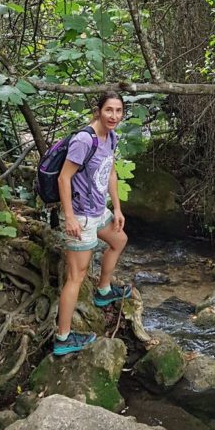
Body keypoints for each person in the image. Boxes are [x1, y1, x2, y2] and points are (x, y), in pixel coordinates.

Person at [53, 90, 132, 356]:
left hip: (98, 211)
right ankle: (63, 337)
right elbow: (63, 179)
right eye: (109, 110)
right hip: (80, 215)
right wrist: (70, 217)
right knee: (76, 276)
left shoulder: (111, 137)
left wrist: (117, 208)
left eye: (119, 111)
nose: (114, 116)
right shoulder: (83, 141)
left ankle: (104, 290)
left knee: (119, 240)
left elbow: (110, 172)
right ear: (99, 110)